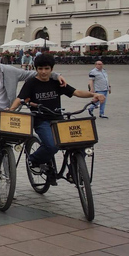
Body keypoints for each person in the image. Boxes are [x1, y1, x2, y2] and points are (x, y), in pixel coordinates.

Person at [9, 54, 105, 183]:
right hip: (41, 120)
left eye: (47, 68)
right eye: (40, 68)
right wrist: (10, 111)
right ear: (36, 69)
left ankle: (74, 170)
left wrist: (94, 94)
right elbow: (20, 99)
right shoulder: (31, 83)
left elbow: (76, 92)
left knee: (81, 141)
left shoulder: (56, 82)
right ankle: (33, 160)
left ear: (51, 69)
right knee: (52, 146)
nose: (43, 72)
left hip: (58, 119)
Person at [0, 45, 63, 168]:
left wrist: (56, 75)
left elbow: (34, 73)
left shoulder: (9, 70)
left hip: (7, 108)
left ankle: (7, 160)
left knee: (9, 135)